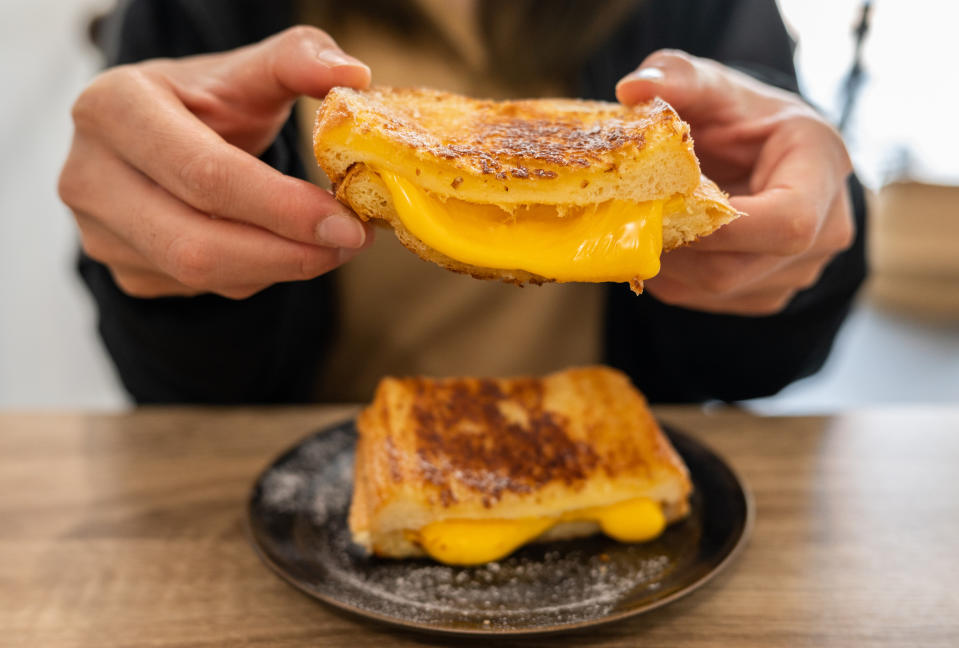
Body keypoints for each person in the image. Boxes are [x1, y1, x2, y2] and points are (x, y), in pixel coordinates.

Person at [58, 0, 866, 404]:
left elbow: (762, 364)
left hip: (628, 474)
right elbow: (173, 389)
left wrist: (796, 252)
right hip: (314, 497)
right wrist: (181, 280)